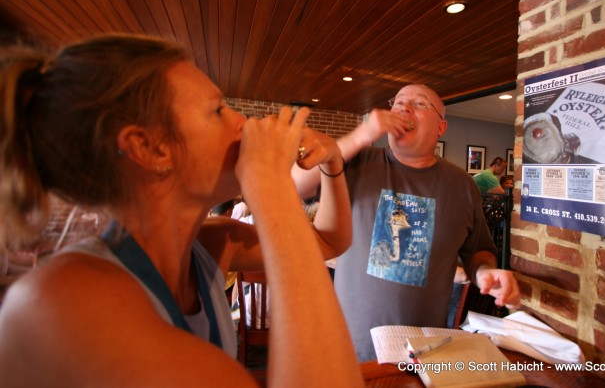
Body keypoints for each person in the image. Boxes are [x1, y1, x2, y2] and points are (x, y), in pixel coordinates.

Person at [0, 34, 363, 387]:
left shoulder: (213, 244)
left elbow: (329, 241)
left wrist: (332, 163)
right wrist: (271, 186)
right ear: (149, 149)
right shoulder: (61, 302)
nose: (244, 123)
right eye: (218, 110)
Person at [293, 83, 521, 361]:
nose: (404, 107)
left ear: (441, 128)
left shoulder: (461, 185)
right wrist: (363, 134)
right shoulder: (356, 163)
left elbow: (478, 252)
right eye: (398, 102)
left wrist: (484, 273)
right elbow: (295, 184)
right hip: (345, 349)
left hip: (422, 354)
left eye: (420, 103)